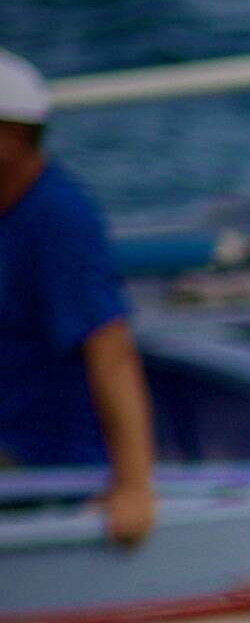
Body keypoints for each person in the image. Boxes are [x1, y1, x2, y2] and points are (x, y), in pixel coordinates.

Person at [0, 54, 152, 551]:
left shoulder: (59, 220)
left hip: (38, 462)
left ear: (11, 141)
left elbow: (110, 352)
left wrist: (132, 487)